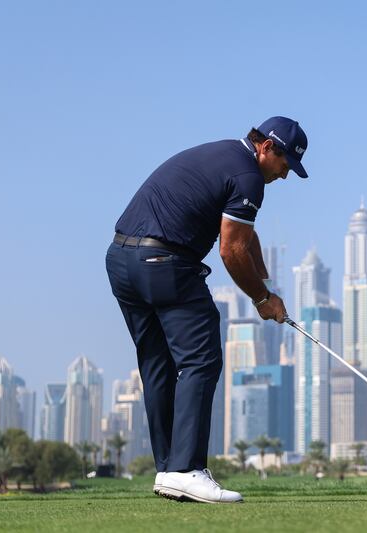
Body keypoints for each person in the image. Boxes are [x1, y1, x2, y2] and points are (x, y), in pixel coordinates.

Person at [105, 116, 308, 503]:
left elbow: (245, 236)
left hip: (121, 260)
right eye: (285, 166)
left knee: (158, 365)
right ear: (268, 148)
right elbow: (231, 249)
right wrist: (263, 300)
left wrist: (266, 281)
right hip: (164, 263)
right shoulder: (248, 177)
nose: (284, 176)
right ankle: (186, 469)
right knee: (201, 360)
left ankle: (168, 470)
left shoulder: (225, 156)